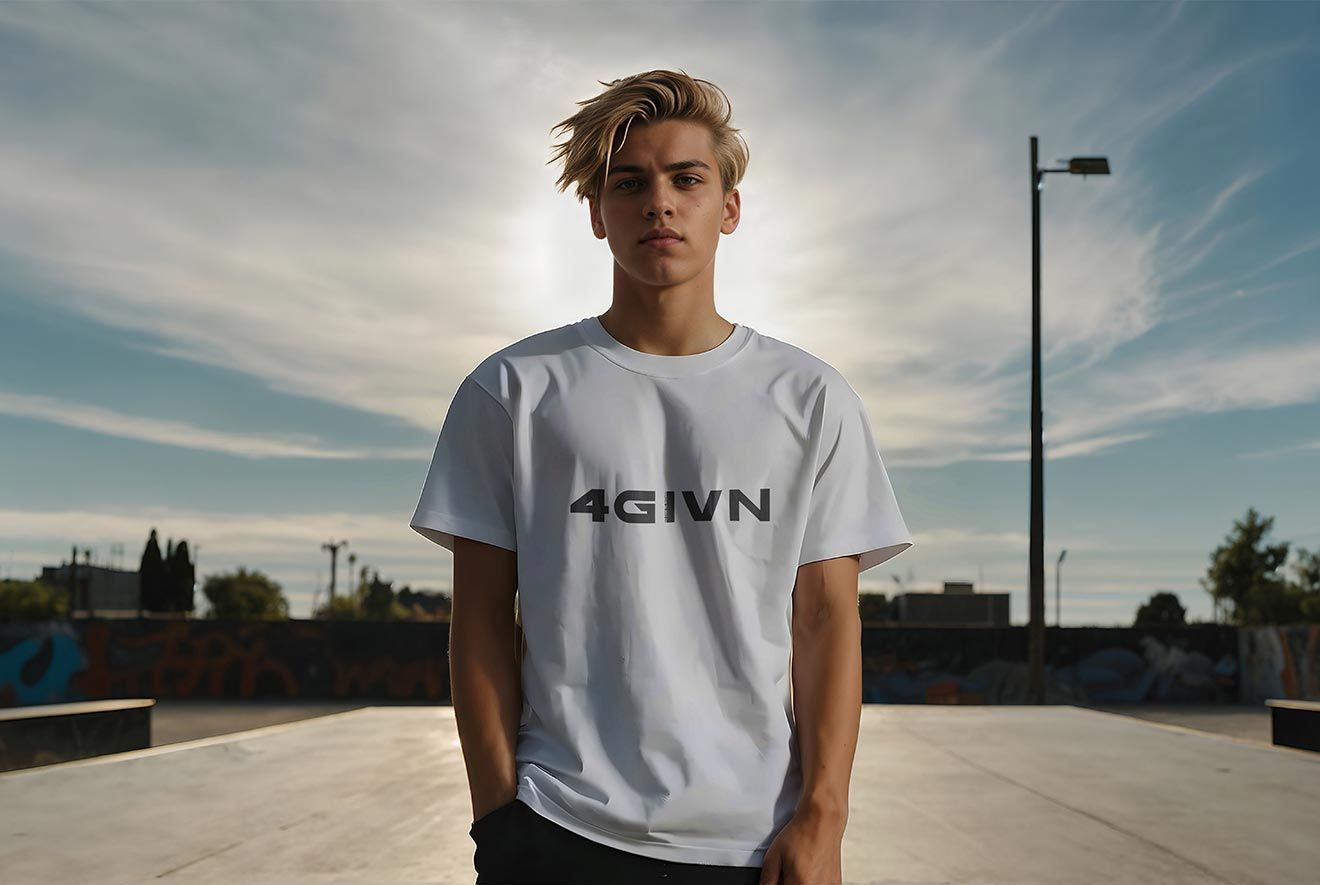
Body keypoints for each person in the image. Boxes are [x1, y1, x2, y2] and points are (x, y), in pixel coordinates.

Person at [410, 69, 913, 885]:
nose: (660, 202)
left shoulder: (810, 398)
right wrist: (498, 820)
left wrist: (824, 816)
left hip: (757, 843)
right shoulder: (512, 390)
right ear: (598, 212)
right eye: (630, 182)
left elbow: (825, 621)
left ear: (730, 207)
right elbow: (479, 621)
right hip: (558, 827)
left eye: (688, 178)